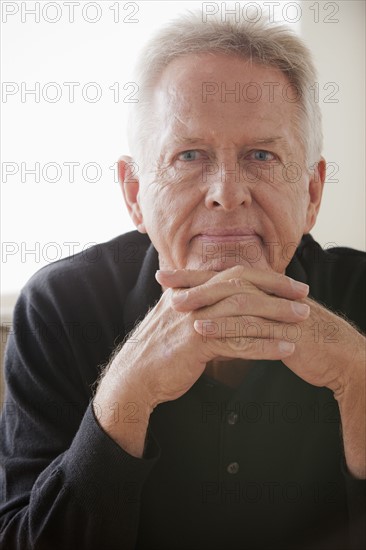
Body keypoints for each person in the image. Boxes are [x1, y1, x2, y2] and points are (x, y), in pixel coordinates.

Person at [0, 11, 365, 550]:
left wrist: (358, 376)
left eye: (261, 156)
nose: (226, 191)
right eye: (189, 155)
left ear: (311, 193)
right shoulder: (60, 306)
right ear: (133, 192)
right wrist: (126, 392)